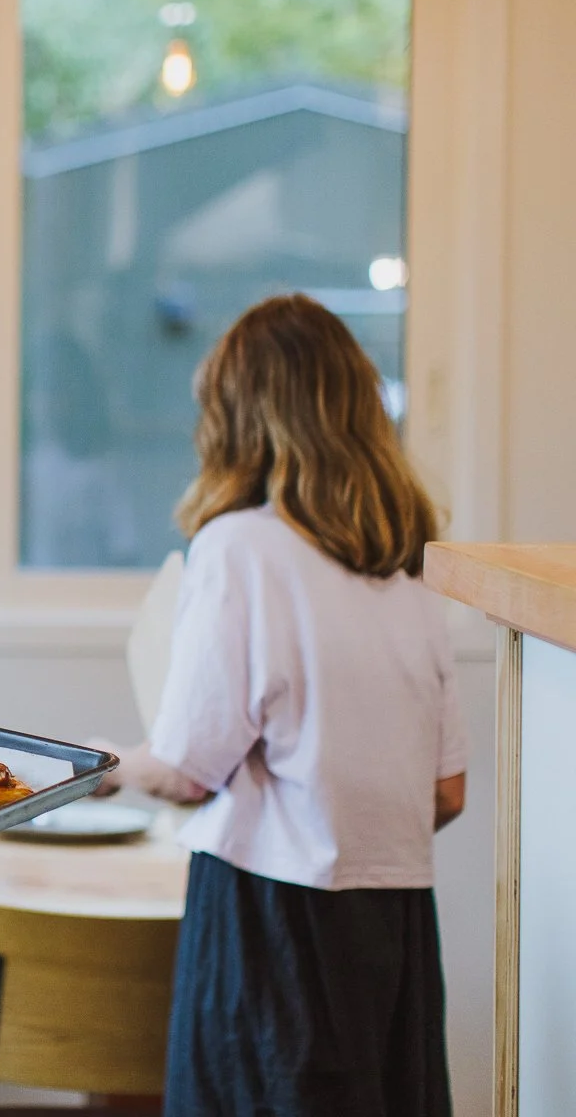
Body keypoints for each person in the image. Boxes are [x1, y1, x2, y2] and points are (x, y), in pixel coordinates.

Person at [99, 294, 466, 1117]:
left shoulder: (239, 549)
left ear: (242, 418)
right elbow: (446, 793)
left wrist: (97, 766)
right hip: (398, 930)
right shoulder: (409, 567)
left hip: (271, 938)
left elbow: (190, 772)